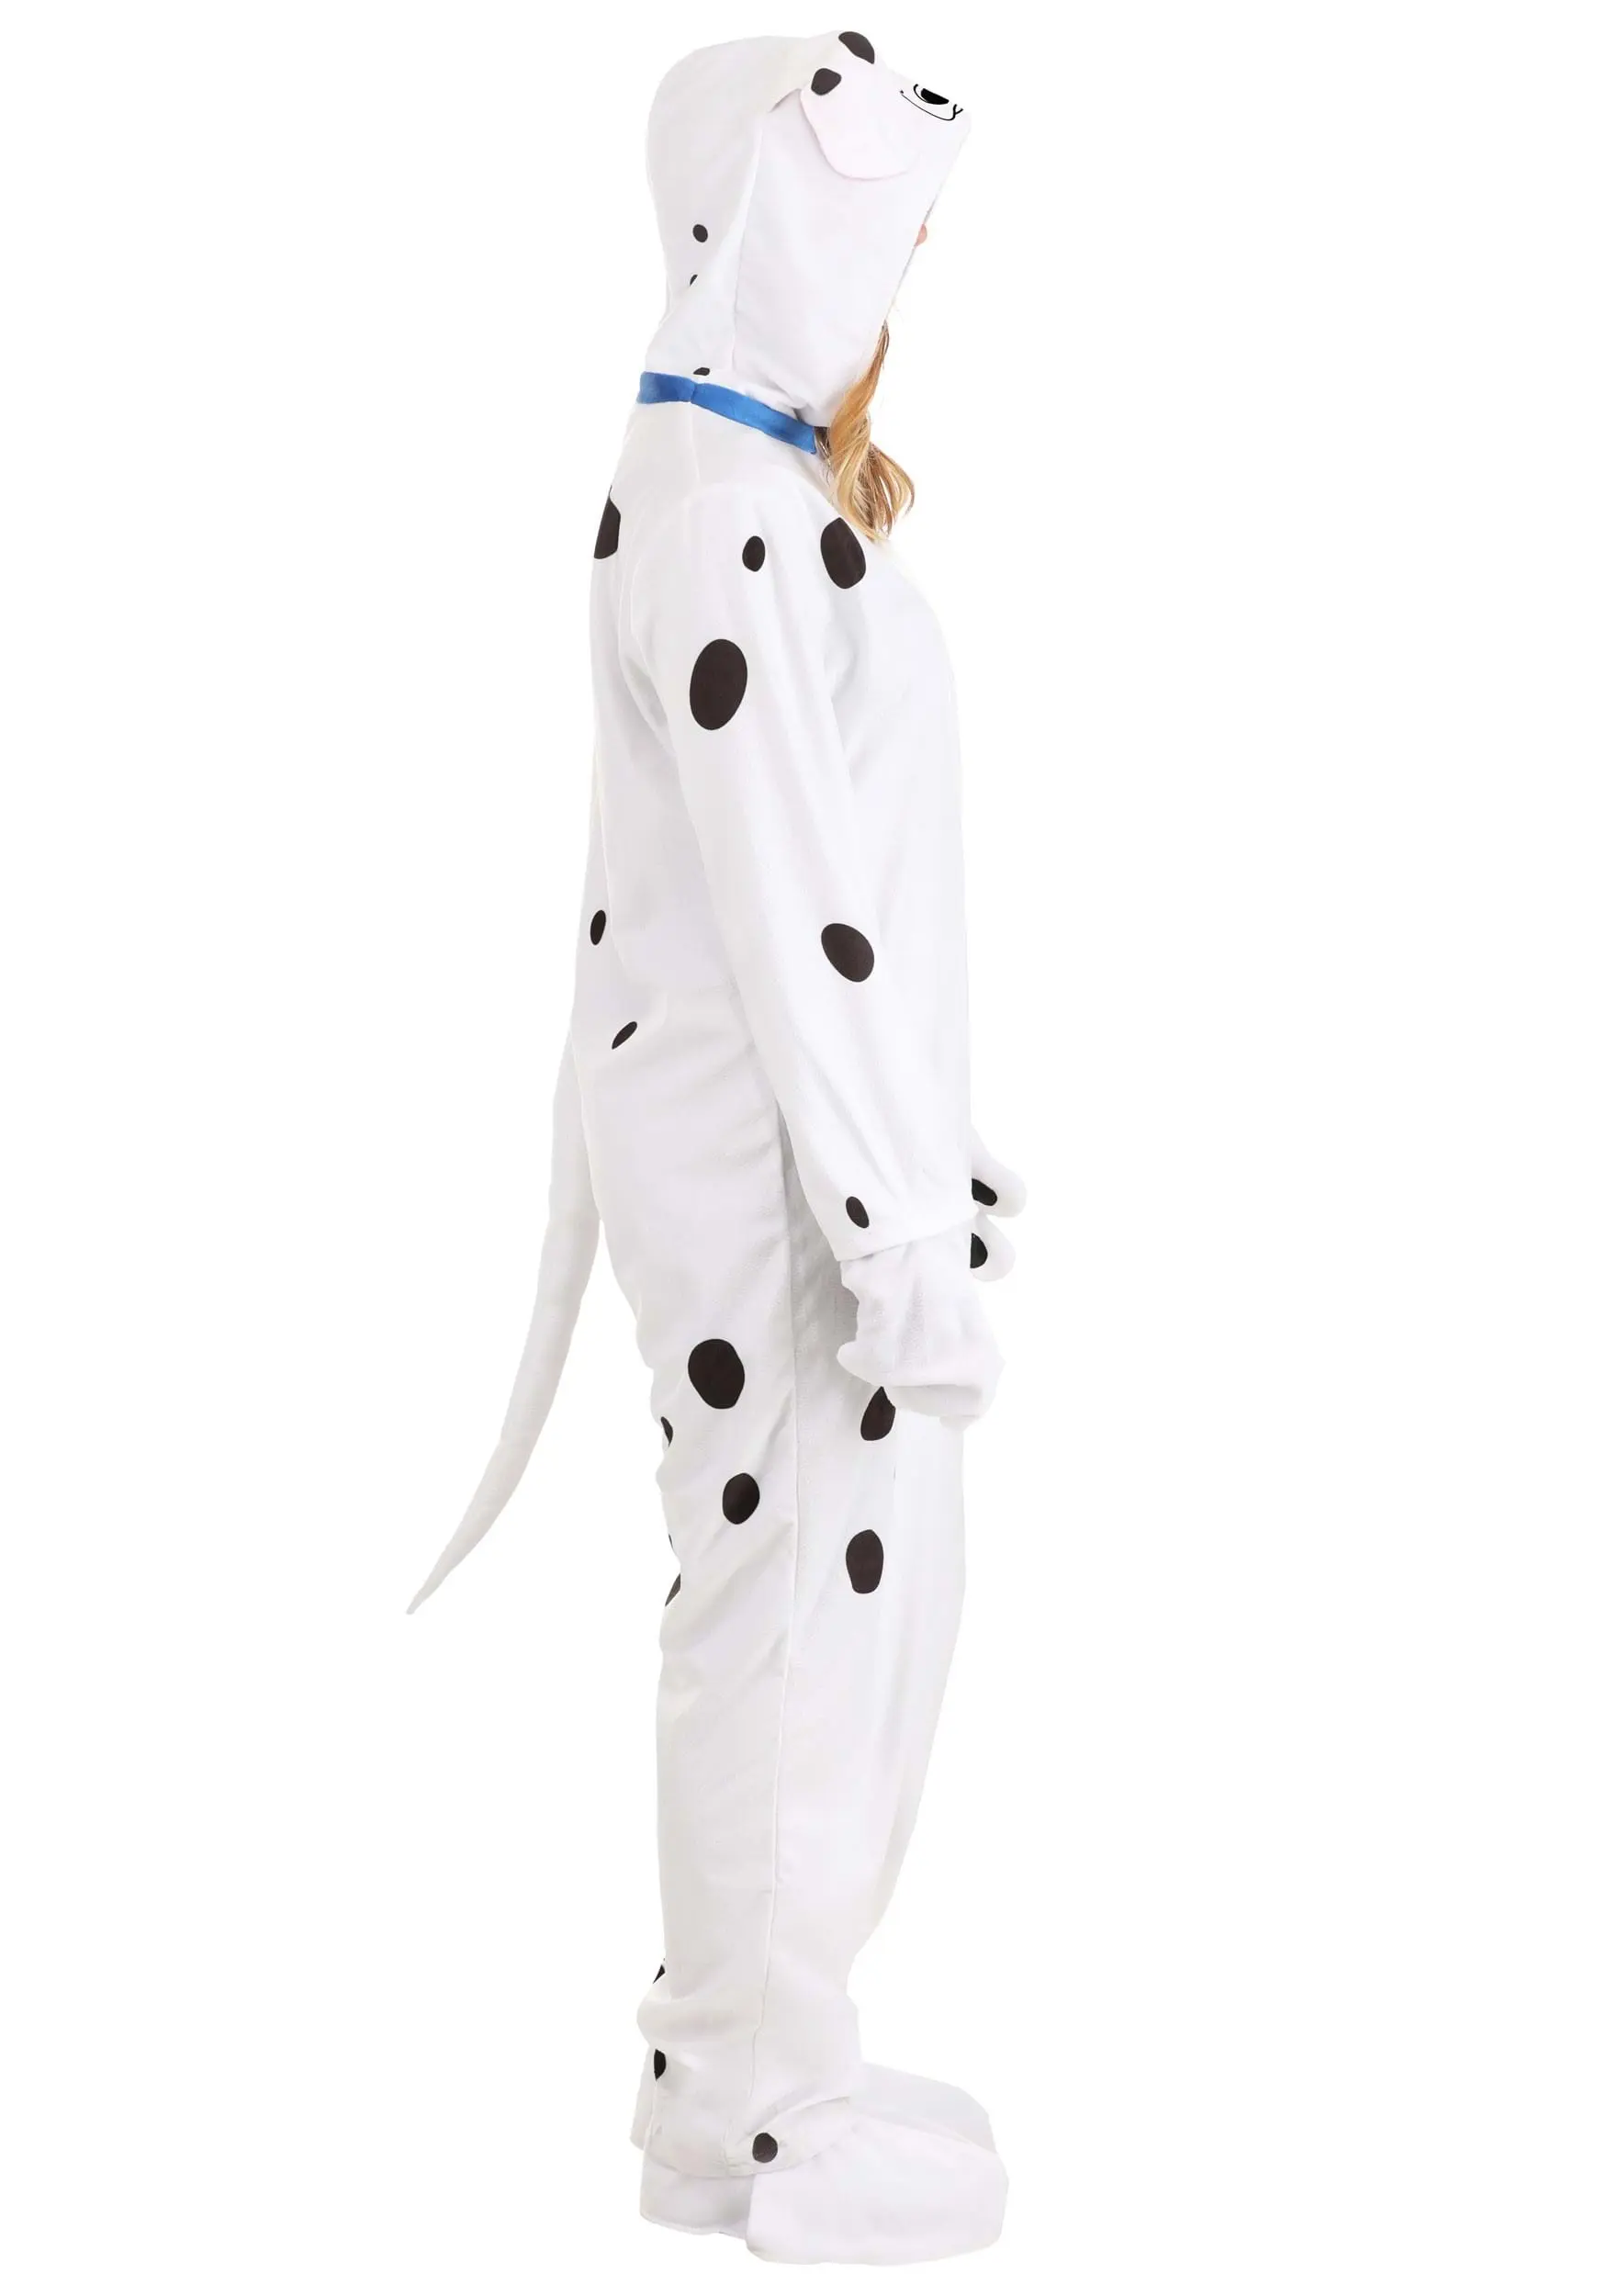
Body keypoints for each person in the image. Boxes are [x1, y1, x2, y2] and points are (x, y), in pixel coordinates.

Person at [410, 28, 1024, 2266]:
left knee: (807, 1586)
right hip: (774, 1179)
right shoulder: (724, 508)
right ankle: (764, 2114)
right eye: (883, 234)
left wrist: (925, 1165)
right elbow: (790, 902)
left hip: (787, 1155)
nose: (905, 274)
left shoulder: (732, 481)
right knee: (798, 1597)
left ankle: (745, 2074)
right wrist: (895, 1226)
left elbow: (822, 883)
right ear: (766, 225)